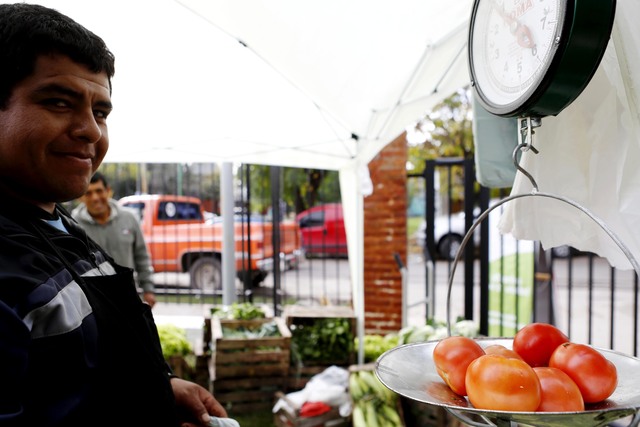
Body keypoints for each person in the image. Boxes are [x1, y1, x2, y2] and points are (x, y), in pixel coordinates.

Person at [0, 3, 228, 426]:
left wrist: (159, 391)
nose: (90, 130)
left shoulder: (56, 219)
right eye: (58, 101)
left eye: (100, 112)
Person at [72, 172, 157, 307]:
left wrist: (148, 289)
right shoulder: (74, 225)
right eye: (88, 193)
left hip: (127, 294)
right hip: (91, 300)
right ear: (81, 197)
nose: (95, 198)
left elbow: (141, 256)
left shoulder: (129, 218)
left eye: (99, 191)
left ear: (108, 191)